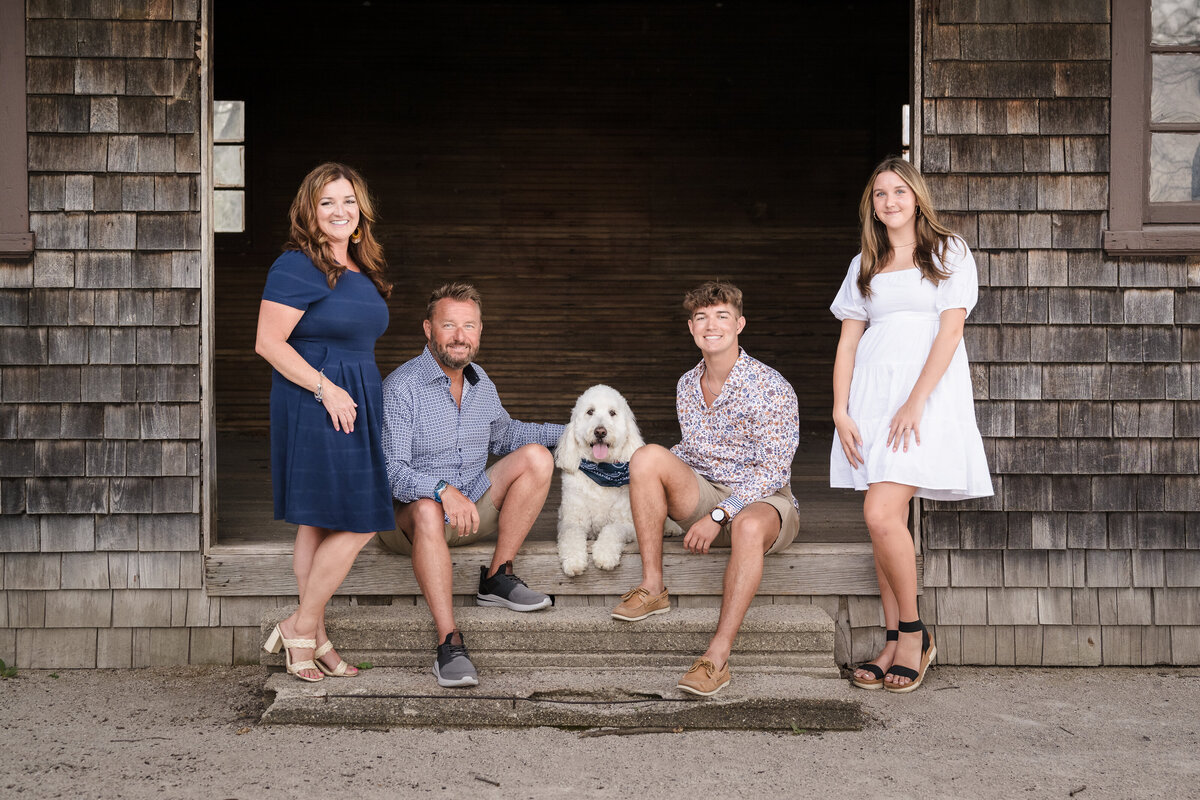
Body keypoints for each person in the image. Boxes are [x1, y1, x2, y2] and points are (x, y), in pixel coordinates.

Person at [831, 157, 994, 693]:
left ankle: (915, 635)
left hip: (923, 398)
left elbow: (949, 334)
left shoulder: (949, 251)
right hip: (870, 400)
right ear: (871, 205)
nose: (890, 202)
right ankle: (893, 636)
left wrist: (914, 402)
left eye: (899, 191)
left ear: (916, 197)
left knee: (879, 514)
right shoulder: (865, 262)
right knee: (886, 520)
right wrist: (839, 408)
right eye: (880, 194)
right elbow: (849, 341)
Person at [612, 281, 800, 697]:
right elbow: (694, 451)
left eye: (721, 317)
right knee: (646, 457)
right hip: (709, 490)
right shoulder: (686, 384)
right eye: (701, 318)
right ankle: (653, 586)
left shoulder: (770, 387)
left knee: (748, 528)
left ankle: (716, 657)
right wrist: (638, 471)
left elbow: (773, 469)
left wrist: (721, 514)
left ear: (739, 325)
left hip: (765, 501)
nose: (710, 325)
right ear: (692, 328)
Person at [379, 282, 564, 688]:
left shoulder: (483, 386)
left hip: (469, 510)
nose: (460, 336)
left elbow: (507, 436)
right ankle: (449, 642)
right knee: (428, 508)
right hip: (411, 521)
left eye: (469, 326)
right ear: (428, 329)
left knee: (537, 456)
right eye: (449, 325)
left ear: (479, 332)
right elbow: (391, 472)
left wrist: (579, 431)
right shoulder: (401, 388)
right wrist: (442, 489)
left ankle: (497, 576)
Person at [256, 162, 394, 682]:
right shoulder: (296, 266)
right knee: (362, 520)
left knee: (320, 521)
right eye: (327, 203)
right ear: (309, 212)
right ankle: (303, 625)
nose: (340, 211)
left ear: (361, 211)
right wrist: (326, 388)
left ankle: (314, 638)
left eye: (348, 201)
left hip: (354, 395)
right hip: (318, 399)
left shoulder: (360, 266)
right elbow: (268, 343)